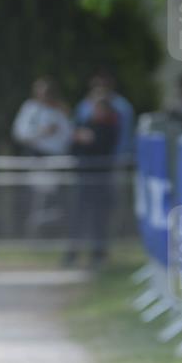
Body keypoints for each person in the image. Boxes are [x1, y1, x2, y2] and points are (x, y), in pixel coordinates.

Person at [64, 94, 119, 268]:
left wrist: (91, 140)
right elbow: (73, 147)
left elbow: (104, 147)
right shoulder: (86, 124)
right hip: (84, 178)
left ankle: (98, 254)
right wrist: (80, 140)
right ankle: (71, 254)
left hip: (101, 180)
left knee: (99, 219)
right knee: (77, 218)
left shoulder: (111, 127)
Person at [11, 77, 73, 156]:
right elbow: (19, 133)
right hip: (34, 156)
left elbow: (69, 134)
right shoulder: (29, 108)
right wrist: (40, 132)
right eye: (40, 93)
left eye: (47, 93)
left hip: (57, 156)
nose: (44, 96)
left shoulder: (61, 110)